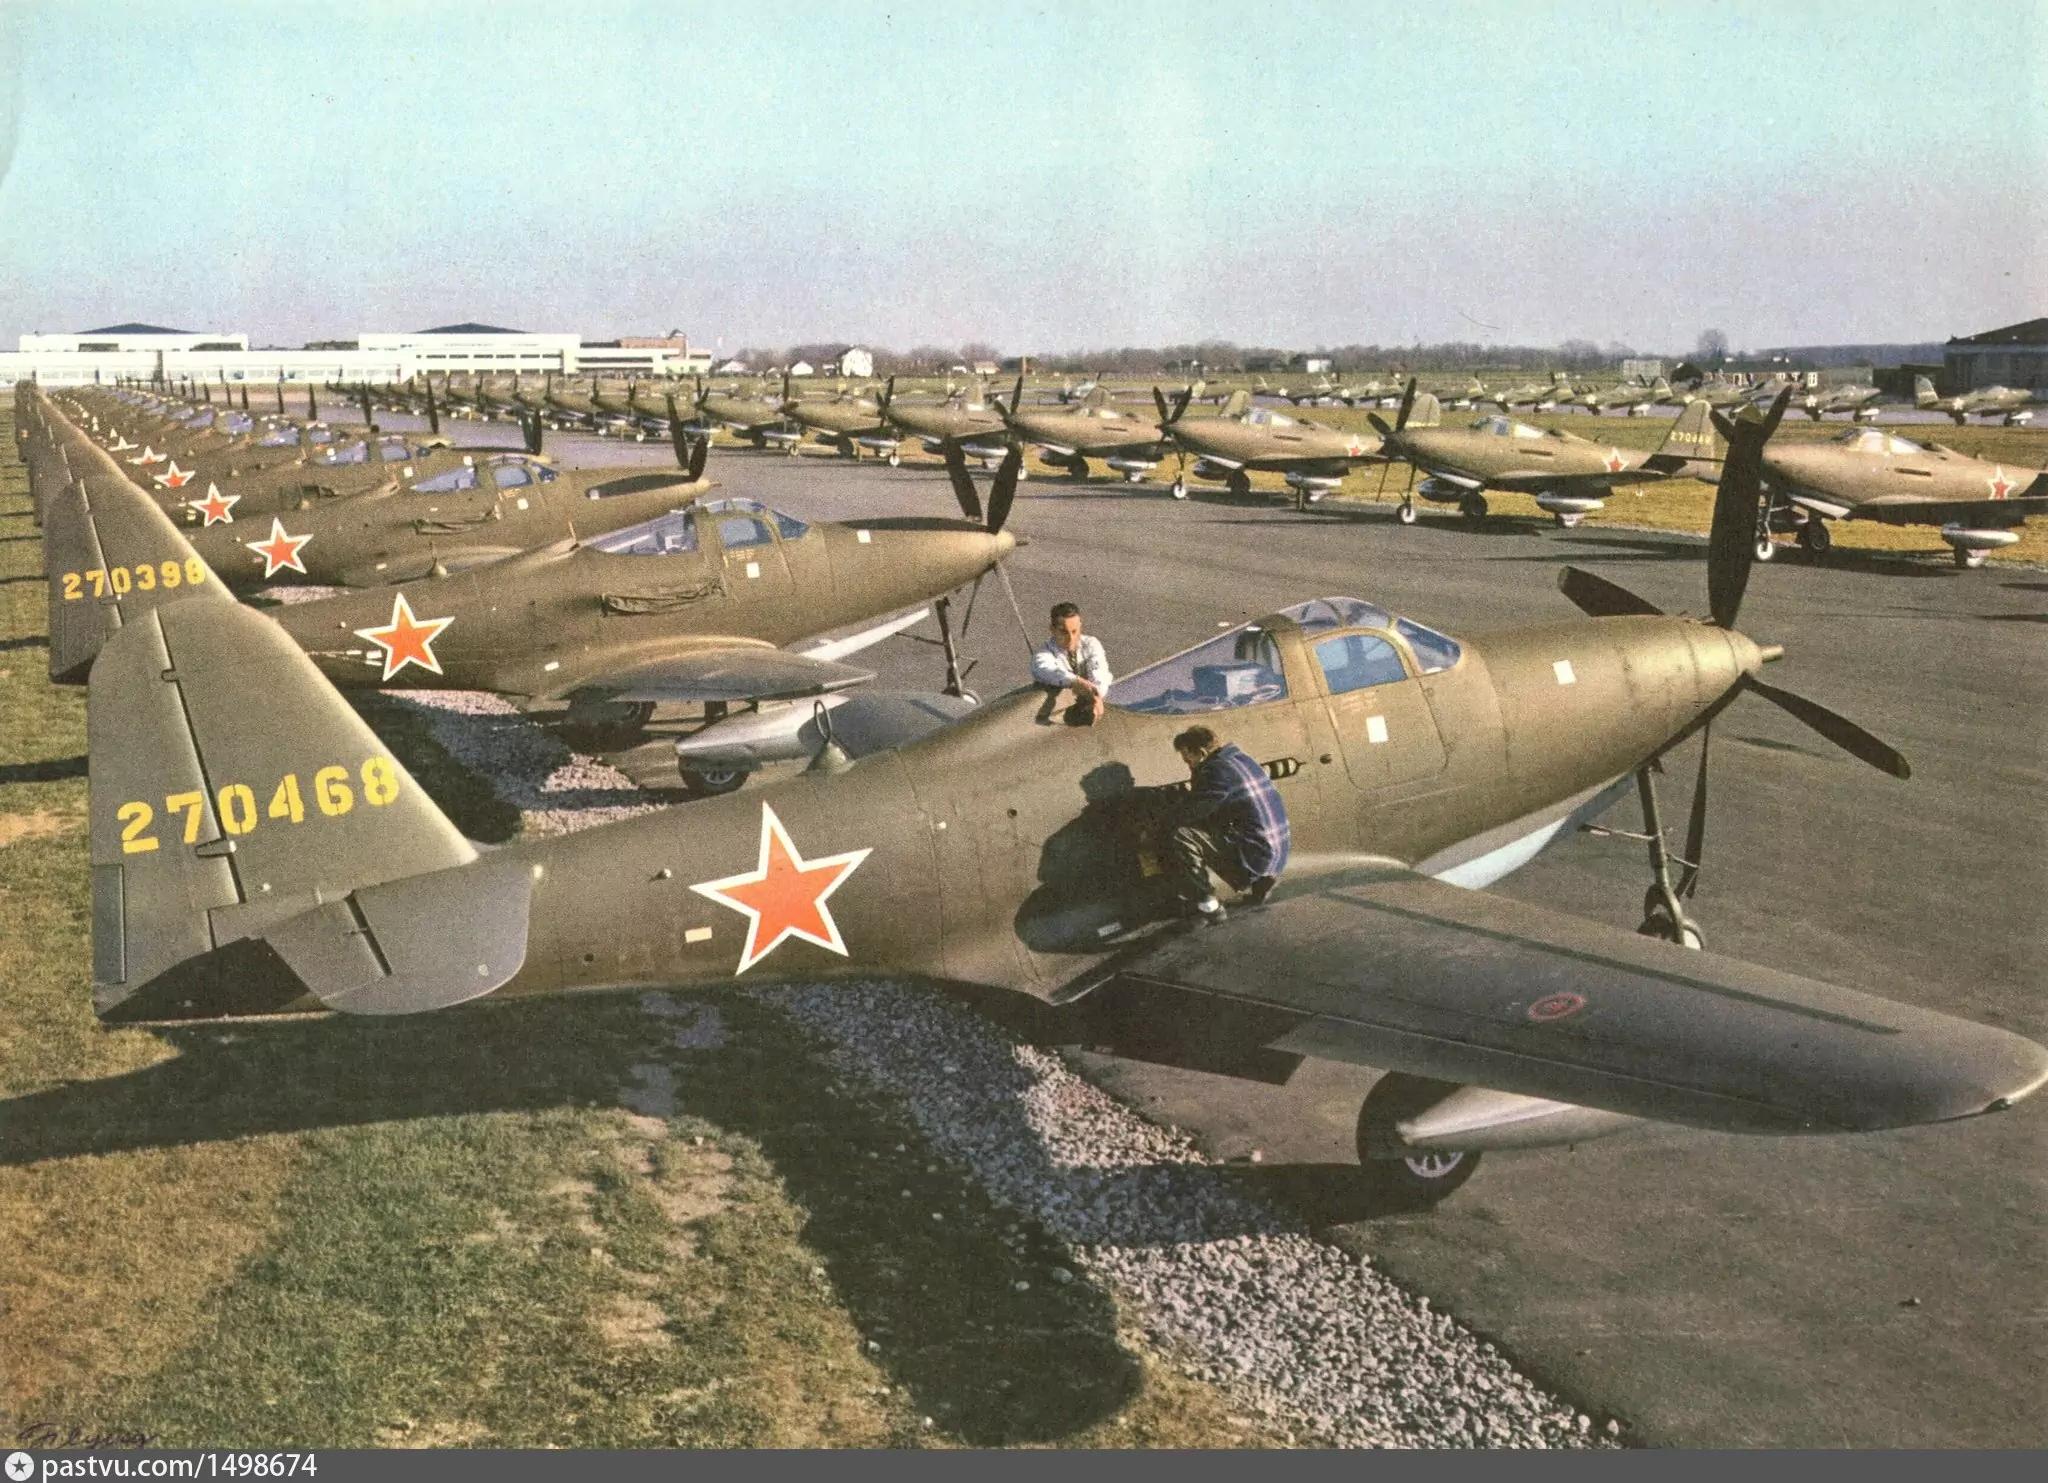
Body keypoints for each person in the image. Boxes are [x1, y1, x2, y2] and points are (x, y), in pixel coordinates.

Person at [1168, 725, 1288, 925]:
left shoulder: (1214, 770)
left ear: (1202, 753)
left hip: (1258, 861)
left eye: (1188, 760)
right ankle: (1260, 885)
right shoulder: (1242, 759)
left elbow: (1193, 812)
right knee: (1236, 826)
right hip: (1277, 856)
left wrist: (1164, 818)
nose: (1188, 765)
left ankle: (1209, 906)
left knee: (1182, 835)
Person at [1031, 601, 1113, 723]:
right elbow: (1046, 670)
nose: (1071, 638)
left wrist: (1096, 694)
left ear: (1080, 626)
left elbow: (1099, 670)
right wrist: (1075, 681)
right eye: (1064, 632)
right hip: (1055, 716)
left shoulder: (1091, 644)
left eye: (1075, 631)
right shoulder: (1043, 654)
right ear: (1052, 629)